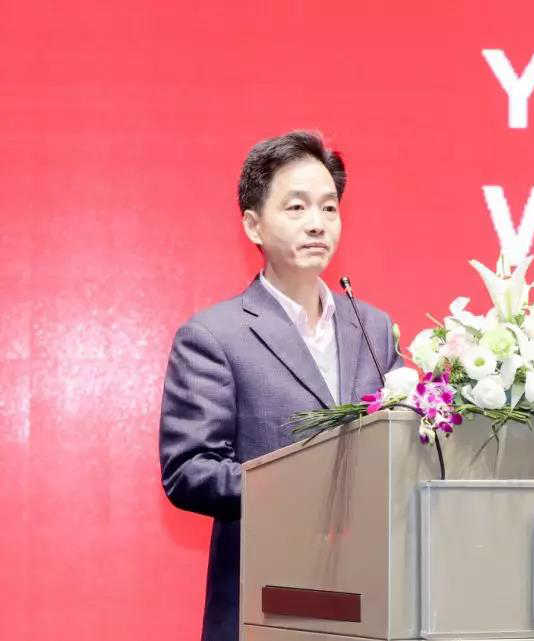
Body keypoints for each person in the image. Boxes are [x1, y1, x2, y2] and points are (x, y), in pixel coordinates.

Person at [159, 130, 401, 641]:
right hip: (267, 601)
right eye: (296, 207)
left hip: (371, 598)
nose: (317, 223)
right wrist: (305, 488)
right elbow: (189, 471)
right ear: (253, 224)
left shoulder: (373, 328)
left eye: (329, 208)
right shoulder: (215, 336)